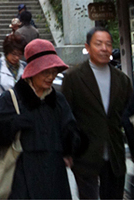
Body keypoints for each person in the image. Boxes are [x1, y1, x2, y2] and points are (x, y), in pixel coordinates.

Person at [0, 38, 82, 200]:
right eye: (45, 72)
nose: (51, 76)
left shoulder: (58, 100)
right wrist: (12, 125)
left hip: (54, 177)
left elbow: (72, 131)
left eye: (54, 71)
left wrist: (71, 141)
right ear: (32, 71)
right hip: (21, 178)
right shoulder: (12, 99)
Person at [62, 27, 133, 200]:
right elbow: (65, 117)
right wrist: (66, 151)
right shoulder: (74, 78)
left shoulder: (122, 80)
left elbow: (127, 115)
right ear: (88, 46)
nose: (104, 48)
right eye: (98, 43)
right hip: (85, 154)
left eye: (108, 44)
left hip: (115, 154)